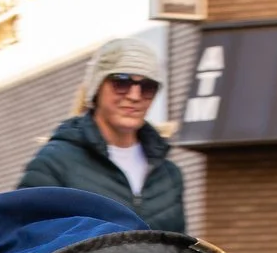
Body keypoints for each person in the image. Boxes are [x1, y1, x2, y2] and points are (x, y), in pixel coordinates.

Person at [14, 37, 188, 233]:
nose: (134, 96)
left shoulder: (169, 175)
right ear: (96, 88)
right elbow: (27, 242)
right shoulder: (54, 163)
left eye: (147, 87)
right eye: (121, 82)